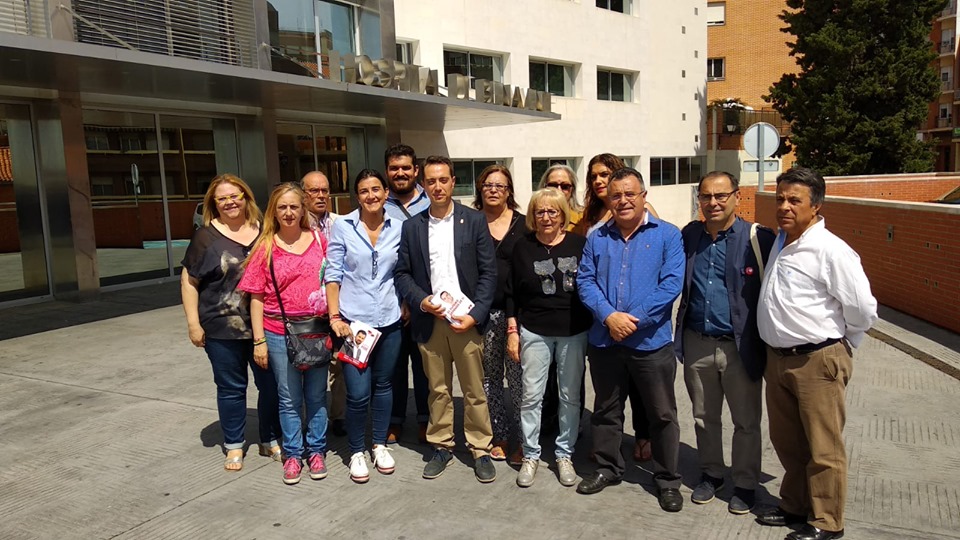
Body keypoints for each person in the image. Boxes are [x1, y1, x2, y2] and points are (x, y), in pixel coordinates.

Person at [755, 167, 877, 540]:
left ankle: (827, 522)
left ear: (817, 206)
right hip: (777, 359)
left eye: (795, 200)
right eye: (780, 199)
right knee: (788, 442)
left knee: (824, 447)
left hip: (817, 360)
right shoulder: (781, 240)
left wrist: (842, 343)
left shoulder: (831, 251)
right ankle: (794, 505)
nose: (785, 207)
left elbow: (862, 309)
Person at [575, 168, 685, 513]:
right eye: (616, 195)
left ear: (643, 196)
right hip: (605, 341)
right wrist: (609, 316)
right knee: (606, 411)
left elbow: (670, 286)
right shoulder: (597, 237)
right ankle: (608, 467)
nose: (623, 200)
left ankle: (667, 479)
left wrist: (630, 321)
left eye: (629, 194)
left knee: (662, 415)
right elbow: (585, 281)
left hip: (650, 344)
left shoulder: (668, 235)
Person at [675, 171, 775, 514]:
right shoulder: (690, 235)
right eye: (706, 196)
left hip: (739, 346)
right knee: (704, 417)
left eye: (721, 196)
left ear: (737, 196)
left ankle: (745, 484)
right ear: (698, 199)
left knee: (746, 421)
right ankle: (712, 473)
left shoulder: (757, 238)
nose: (713, 203)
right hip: (697, 342)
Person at [394, 155, 498, 483]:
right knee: (437, 389)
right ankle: (441, 445)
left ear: (453, 182)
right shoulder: (412, 227)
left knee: (473, 389)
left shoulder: (475, 220)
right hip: (431, 321)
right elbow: (402, 273)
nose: (437, 186)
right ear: (423, 185)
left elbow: (488, 273)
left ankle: (480, 447)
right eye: (431, 181)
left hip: (466, 321)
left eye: (443, 180)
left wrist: (477, 313)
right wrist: (421, 301)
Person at [180, 174, 281, 472]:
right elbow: (189, 281)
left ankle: (269, 437)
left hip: (266, 327)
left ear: (246, 197)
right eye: (222, 198)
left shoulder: (265, 231)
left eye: (235, 196)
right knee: (230, 388)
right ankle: (234, 444)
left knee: (271, 386)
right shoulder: (205, 237)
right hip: (221, 328)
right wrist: (192, 323)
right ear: (214, 203)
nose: (230, 202)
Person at [238, 183, 330, 486]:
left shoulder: (319, 240)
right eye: (282, 207)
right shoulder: (265, 247)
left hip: (316, 330)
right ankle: (293, 454)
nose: (288, 213)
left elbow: (335, 281)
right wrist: (259, 340)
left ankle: (316, 450)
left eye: (294, 206)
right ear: (273, 212)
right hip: (278, 332)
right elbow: (256, 297)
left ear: (302, 209)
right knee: (288, 398)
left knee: (316, 396)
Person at [506, 188, 591, 488]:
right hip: (534, 330)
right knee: (532, 396)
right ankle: (530, 454)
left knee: (570, 396)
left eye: (552, 211)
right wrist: (513, 331)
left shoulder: (580, 244)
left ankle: (564, 454)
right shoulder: (522, 247)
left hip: (573, 331)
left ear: (563, 215)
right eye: (540, 211)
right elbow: (512, 294)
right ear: (532, 215)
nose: (546, 217)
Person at [574, 153, 655, 464]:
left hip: (636, 319)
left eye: (605, 174)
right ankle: (608, 446)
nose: (598, 181)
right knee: (608, 392)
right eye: (593, 176)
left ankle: (644, 435)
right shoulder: (589, 217)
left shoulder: (640, 212)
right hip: (598, 314)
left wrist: (630, 318)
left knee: (639, 387)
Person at [325, 169, 404, 484]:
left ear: (386, 192)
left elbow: (405, 270)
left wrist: (406, 303)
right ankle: (356, 450)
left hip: (390, 320)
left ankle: (379, 444)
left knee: (384, 387)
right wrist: (335, 318)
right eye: (363, 191)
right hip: (354, 324)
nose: (371, 196)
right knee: (357, 394)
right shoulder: (343, 227)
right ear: (355, 196)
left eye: (376, 189)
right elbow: (333, 275)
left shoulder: (400, 227)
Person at [473, 164, 526, 464]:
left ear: (509, 191)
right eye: (488, 185)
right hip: (483, 313)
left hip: (516, 316)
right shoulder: (470, 222)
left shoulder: (523, 224)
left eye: (500, 186)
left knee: (519, 380)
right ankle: (500, 434)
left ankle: (522, 439)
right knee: (490, 379)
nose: (494, 190)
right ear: (481, 190)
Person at [383, 144, 431, 445]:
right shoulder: (376, 203)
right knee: (394, 366)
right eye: (394, 168)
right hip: (390, 302)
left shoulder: (433, 202)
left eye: (405, 168)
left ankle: (427, 419)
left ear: (416, 171)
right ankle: (395, 420)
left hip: (426, 299)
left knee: (427, 366)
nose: (399, 173)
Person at [302, 171, 346, 438]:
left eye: (324, 191)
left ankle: (338, 415)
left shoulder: (341, 223)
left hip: (339, 307)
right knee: (308, 365)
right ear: (303, 193)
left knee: (339, 365)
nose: (320, 196)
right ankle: (310, 418)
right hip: (307, 311)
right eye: (313, 191)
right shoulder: (296, 225)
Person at [538, 164, 583, 230]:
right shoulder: (535, 218)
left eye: (565, 186)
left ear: (572, 189)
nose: (559, 190)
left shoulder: (584, 218)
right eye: (553, 185)